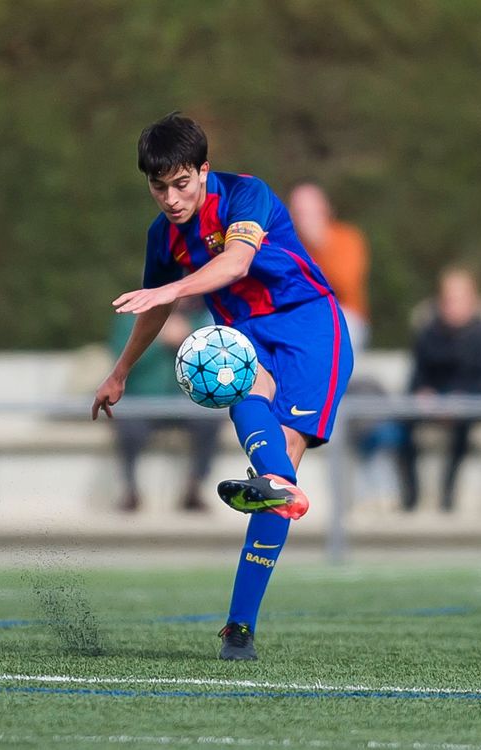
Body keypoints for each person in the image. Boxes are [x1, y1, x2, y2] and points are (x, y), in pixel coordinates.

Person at [91, 113, 353, 661]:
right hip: (241, 338)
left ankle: (240, 621)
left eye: (181, 183)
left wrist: (171, 289)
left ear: (203, 171)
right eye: (158, 187)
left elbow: (235, 264)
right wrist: (119, 372)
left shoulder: (243, 195)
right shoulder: (161, 236)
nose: (170, 198)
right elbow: (152, 310)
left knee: (278, 479)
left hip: (308, 327)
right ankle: (242, 622)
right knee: (271, 474)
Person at [397, 268, 481, 512]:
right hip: (434, 406)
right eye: (447, 298)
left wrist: (461, 400)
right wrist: (424, 393)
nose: (451, 305)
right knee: (402, 428)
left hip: (471, 407)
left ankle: (448, 497)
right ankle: (411, 499)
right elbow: (417, 377)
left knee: (463, 430)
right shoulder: (428, 333)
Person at [106, 299, 219, 512]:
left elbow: (213, 365)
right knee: (129, 429)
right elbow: (120, 361)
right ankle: (129, 490)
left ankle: (195, 487)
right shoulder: (129, 320)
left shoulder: (201, 320)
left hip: (186, 402)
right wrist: (155, 338)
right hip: (141, 400)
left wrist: (186, 340)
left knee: (209, 422)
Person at [288, 182, 371, 351]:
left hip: (343, 315)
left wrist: (320, 244)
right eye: (300, 213)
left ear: (325, 210)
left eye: (311, 212)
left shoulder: (347, 238)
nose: (305, 220)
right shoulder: (290, 246)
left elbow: (347, 285)